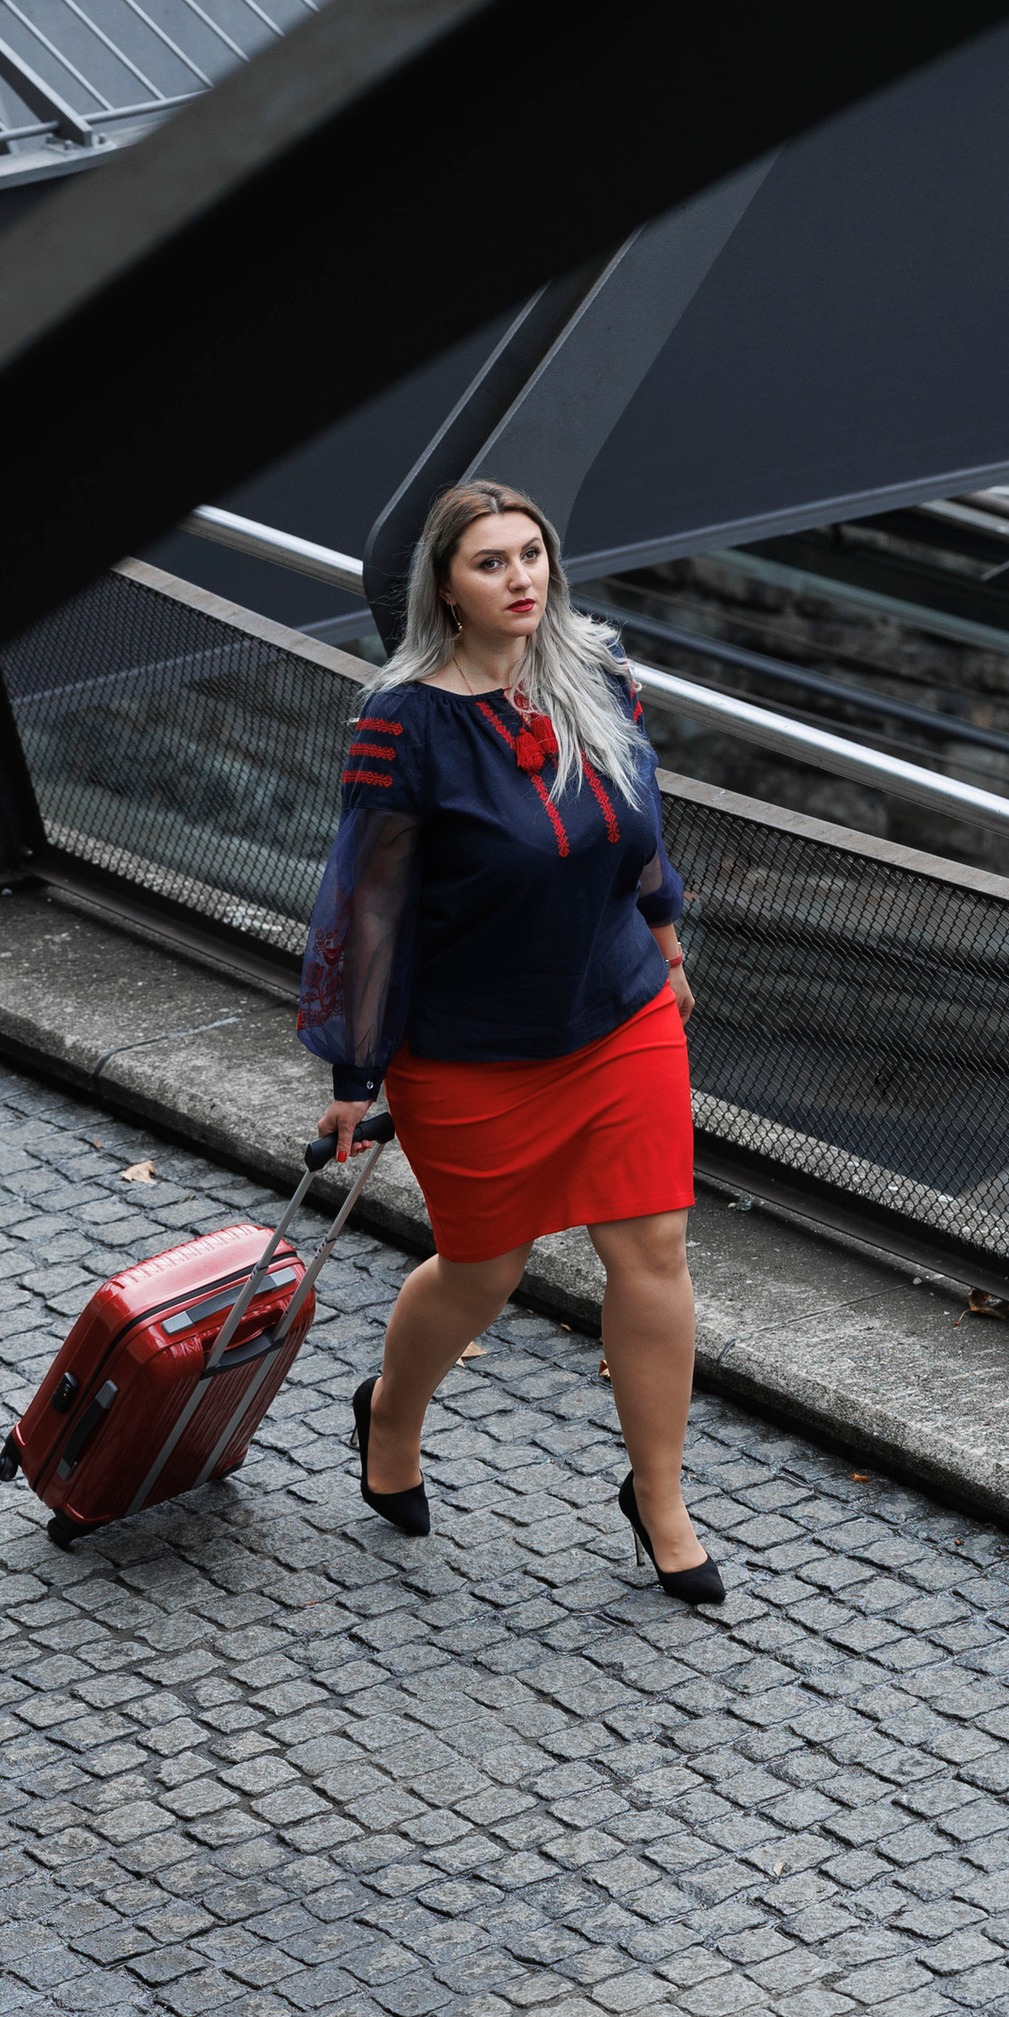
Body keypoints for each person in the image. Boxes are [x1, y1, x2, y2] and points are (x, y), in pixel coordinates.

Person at [298, 476, 720, 1601]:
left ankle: (660, 1499)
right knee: (484, 1270)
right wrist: (353, 1068)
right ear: (446, 584)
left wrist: (666, 941)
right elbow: (367, 905)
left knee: (654, 1252)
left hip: (618, 1012)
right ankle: (389, 1414)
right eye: (492, 562)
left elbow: (639, 829)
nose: (521, 577)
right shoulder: (404, 725)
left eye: (531, 554)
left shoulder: (599, 677)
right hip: (470, 1047)